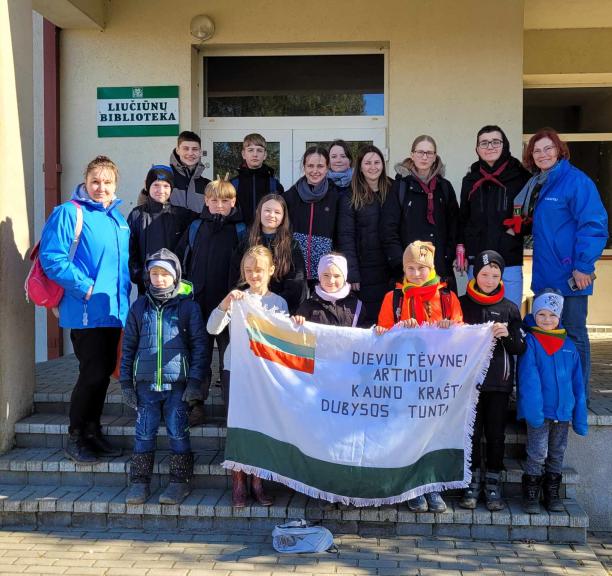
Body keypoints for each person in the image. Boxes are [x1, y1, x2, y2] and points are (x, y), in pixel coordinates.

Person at [39, 155, 130, 463]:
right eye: (95, 181)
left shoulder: (118, 219)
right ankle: (76, 435)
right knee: (91, 374)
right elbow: (52, 258)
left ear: (115, 184)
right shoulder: (69, 213)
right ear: (85, 182)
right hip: (86, 310)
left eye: (107, 182)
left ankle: (93, 431)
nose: (100, 188)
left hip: (114, 311)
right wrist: (85, 287)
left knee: (103, 374)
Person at [516, 128, 608, 401]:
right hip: (546, 274)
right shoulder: (540, 183)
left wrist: (583, 265)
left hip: (571, 274)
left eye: (548, 148)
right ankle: (554, 391)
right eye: (537, 150)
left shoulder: (576, 182)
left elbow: (593, 225)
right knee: (548, 334)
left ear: (559, 150)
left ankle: (579, 394)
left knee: (575, 333)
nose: (543, 154)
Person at [376, 241, 462, 513]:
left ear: (432, 268)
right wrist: (399, 328)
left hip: (438, 379)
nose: (415, 273)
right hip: (405, 378)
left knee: (433, 434)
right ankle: (412, 487)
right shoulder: (395, 298)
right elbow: (381, 335)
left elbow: (463, 335)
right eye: (410, 268)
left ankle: (432, 486)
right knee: (409, 433)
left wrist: (451, 327)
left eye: (421, 268)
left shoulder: (447, 297)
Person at [120, 249, 206, 505]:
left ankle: (180, 483)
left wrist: (195, 384)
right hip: (146, 386)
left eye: (164, 274)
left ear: (176, 276)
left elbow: (200, 347)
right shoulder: (139, 307)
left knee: (178, 433)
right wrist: (126, 382)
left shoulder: (188, 307)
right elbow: (129, 346)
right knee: (143, 433)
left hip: (177, 386)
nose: (159, 279)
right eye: (154, 273)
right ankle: (139, 483)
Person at [208, 245, 288, 507]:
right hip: (236, 368)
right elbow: (212, 328)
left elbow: (284, 339)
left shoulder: (278, 302)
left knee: (259, 426)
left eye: (259, 270)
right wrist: (225, 304)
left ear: (271, 271)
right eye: (249, 270)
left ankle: (257, 481)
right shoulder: (238, 298)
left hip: (264, 372)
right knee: (238, 426)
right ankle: (238, 481)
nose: (254, 275)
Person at [458, 250, 526, 512]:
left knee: (496, 435)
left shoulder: (509, 308)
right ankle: (472, 481)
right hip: (470, 384)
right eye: (485, 274)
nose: (489, 280)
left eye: (495, 275)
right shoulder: (462, 304)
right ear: (476, 274)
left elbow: (520, 347)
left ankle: (493, 481)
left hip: (499, 383)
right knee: (472, 434)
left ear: (501, 277)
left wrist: (507, 335)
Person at [177, 177, 246, 427]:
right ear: (206, 201)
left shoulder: (241, 230)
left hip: (229, 307)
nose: (219, 205)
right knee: (199, 356)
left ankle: (233, 407)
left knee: (230, 357)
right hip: (198, 305)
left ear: (233, 202)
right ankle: (196, 404)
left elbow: (248, 269)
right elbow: (180, 265)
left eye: (225, 201)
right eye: (214, 200)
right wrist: (185, 297)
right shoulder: (196, 227)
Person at [517, 289, 587, 514]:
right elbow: (529, 379)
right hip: (540, 411)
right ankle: (531, 494)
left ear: (560, 317)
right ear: (534, 315)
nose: (547, 320)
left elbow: (577, 384)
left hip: (563, 412)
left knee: (557, 452)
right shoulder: (532, 343)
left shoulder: (569, 346)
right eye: (542, 315)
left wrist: (579, 417)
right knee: (537, 452)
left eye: (552, 315)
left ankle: (552, 493)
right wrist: (533, 412)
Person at [458, 125, 531, 308]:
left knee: (510, 315)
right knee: (477, 319)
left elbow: (532, 215)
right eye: (484, 143)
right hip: (477, 259)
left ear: (504, 145)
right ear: (477, 149)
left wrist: (518, 229)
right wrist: (462, 251)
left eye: (495, 142)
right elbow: (463, 219)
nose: (489, 147)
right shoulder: (470, 180)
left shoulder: (521, 178)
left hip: (509, 259)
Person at [381, 135, 459, 289]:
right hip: (410, 273)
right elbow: (388, 229)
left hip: (440, 271)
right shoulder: (400, 187)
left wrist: (448, 256)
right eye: (420, 152)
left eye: (429, 153)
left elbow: (455, 226)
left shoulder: (444, 187)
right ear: (412, 154)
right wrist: (400, 264)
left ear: (435, 156)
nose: (424, 157)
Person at [337, 145, 393, 323]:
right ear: (360, 166)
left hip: (390, 268)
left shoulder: (393, 190)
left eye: (377, 162)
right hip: (364, 270)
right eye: (367, 162)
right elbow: (346, 237)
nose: (373, 167)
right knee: (368, 321)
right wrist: (352, 273)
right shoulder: (350, 196)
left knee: (390, 320)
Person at [229, 194, 307, 313]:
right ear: (259, 212)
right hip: (249, 308)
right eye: (267, 210)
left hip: (279, 310)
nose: (271, 215)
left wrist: (276, 302)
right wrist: (246, 299)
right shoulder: (246, 242)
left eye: (277, 212)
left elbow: (297, 280)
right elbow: (235, 276)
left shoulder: (292, 245)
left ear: (283, 216)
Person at [127, 165, 195, 294]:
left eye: (166, 186)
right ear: (147, 186)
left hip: (175, 284)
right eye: (156, 185)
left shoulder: (181, 215)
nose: (161, 190)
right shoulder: (137, 215)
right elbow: (130, 249)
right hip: (147, 285)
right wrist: (140, 275)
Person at [284, 146, 341, 290]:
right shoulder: (290, 196)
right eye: (310, 165)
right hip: (295, 267)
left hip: (326, 269)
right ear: (304, 167)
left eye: (320, 166)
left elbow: (342, 233)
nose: (315, 171)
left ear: (327, 168)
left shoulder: (337, 196)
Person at [293, 253, 369, 328]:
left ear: (344, 278)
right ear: (320, 276)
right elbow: (296, 336)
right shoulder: (308, 306)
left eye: (337, 276)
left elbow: (365, 334)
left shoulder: (356, 306)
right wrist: (297, 322)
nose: (331, 281)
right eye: (326, 275)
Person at [230, 133, 284, 226]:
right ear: (243, 154)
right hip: (239, 236)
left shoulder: (274, 184)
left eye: (259, 150)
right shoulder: (233, 184)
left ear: (265, 155)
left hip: (266, 235)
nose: (255, 154)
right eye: (250, 150)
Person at [169, 130, 211, 214]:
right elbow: (148, 209)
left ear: (200, 152)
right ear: (178, 150)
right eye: (186, 148)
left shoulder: (208, 185)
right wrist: (145, 192)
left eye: (195, 149)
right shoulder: (166, 177)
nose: (190, 153)